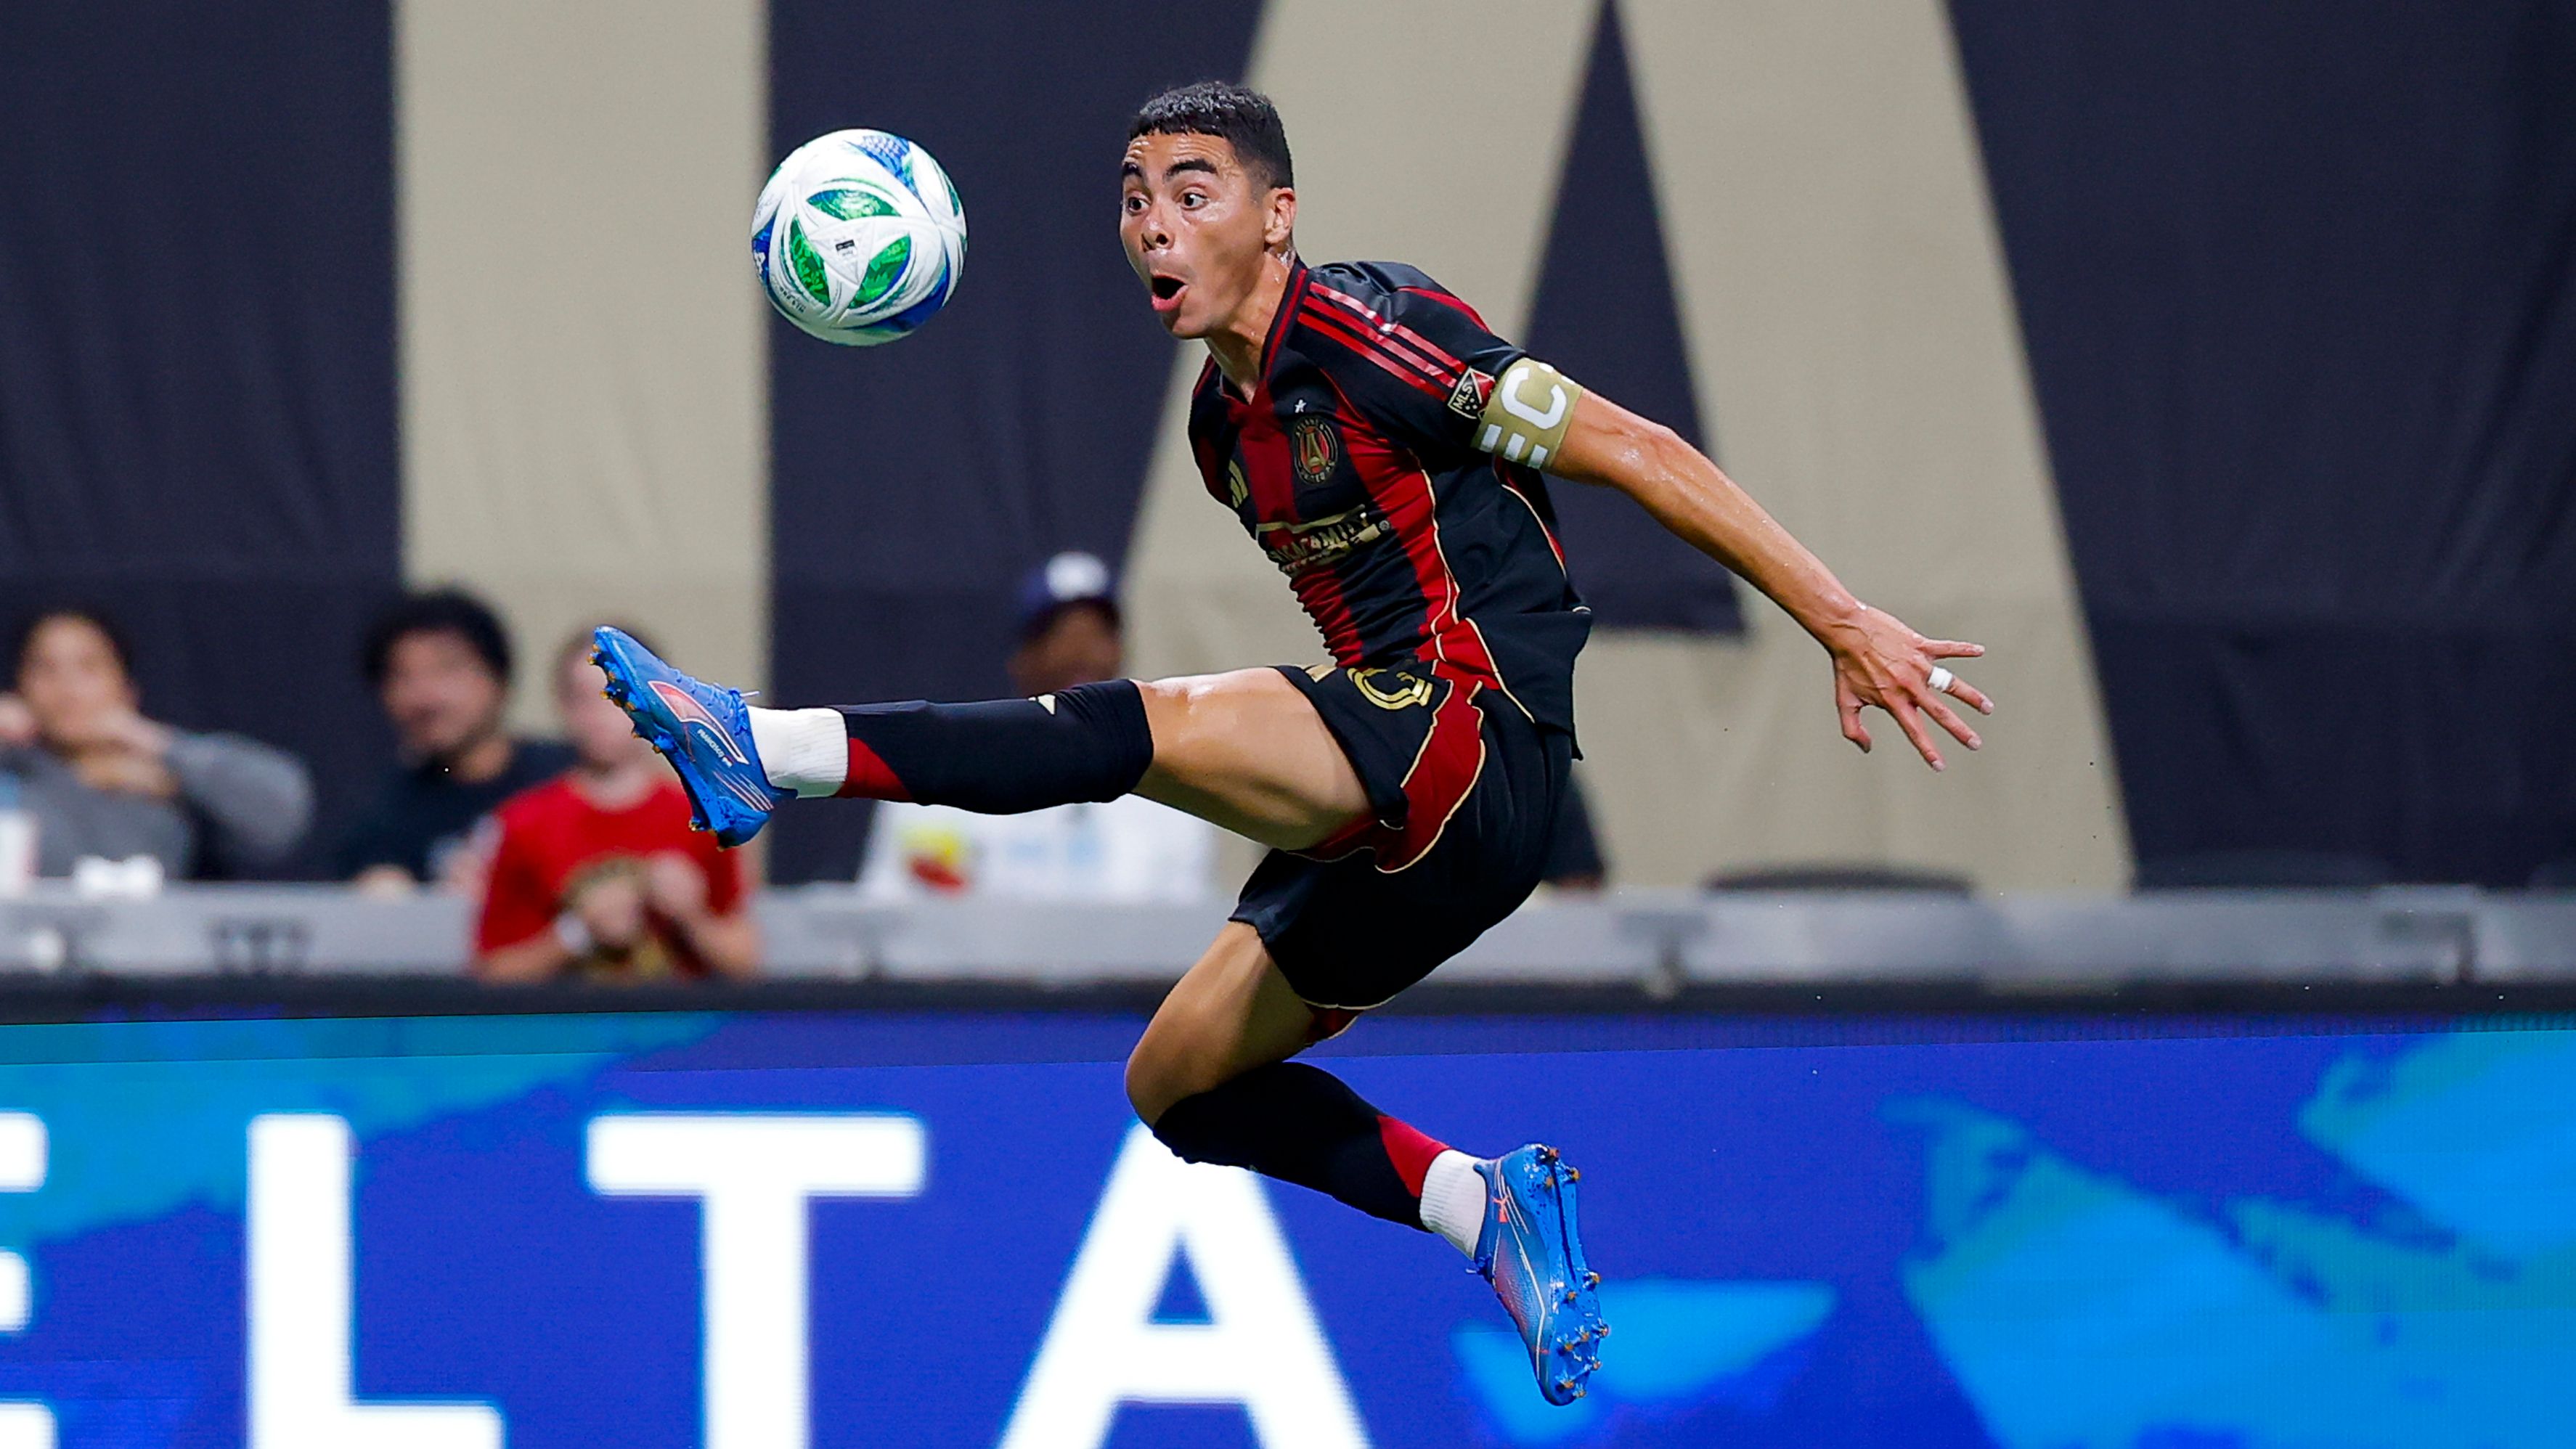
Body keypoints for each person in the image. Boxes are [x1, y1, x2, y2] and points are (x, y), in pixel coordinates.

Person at [595, 81, 1991, 1404]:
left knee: (1136, 725)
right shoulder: (1222, 431)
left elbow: (1636, 449)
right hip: (1433, 828)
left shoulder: (1378, 332)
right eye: (1132, 196)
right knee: (1176, 1086)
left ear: (1276, 216)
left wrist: (1838, 616)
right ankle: (1475, 1204)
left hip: (1469, 734)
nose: (1152, 221)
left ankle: (765, 748)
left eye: (1190, 191)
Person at [857, 552, 1217, 902]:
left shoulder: (1170, 792)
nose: (1081, 653)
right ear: (1021, 658)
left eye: (1097, 635)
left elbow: (1184, 932)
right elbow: (888, 922)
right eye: (1059, 635)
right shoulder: (940, 779)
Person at [475, 631, 757, 983]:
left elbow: (747, 963)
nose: (600, 714)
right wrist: (577, 933)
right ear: (563, 707)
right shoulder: (523, 823)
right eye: (583, 699)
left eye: (618, 695)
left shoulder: (710, 816)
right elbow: (491, 973)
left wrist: (690, 917)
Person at [0, 608, 311, 880]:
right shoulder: (12, 771)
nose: (67, 688)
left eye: (89, 667)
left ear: (126, 689)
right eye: (45, 668)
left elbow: (282, 814)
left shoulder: (168, 778)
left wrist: (155, 743)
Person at [338, 589, 575, 894]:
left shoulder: (568, 780)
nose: (425, 696)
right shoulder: (385, 814)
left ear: (497, 679)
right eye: (403, 676)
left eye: (446, 669)